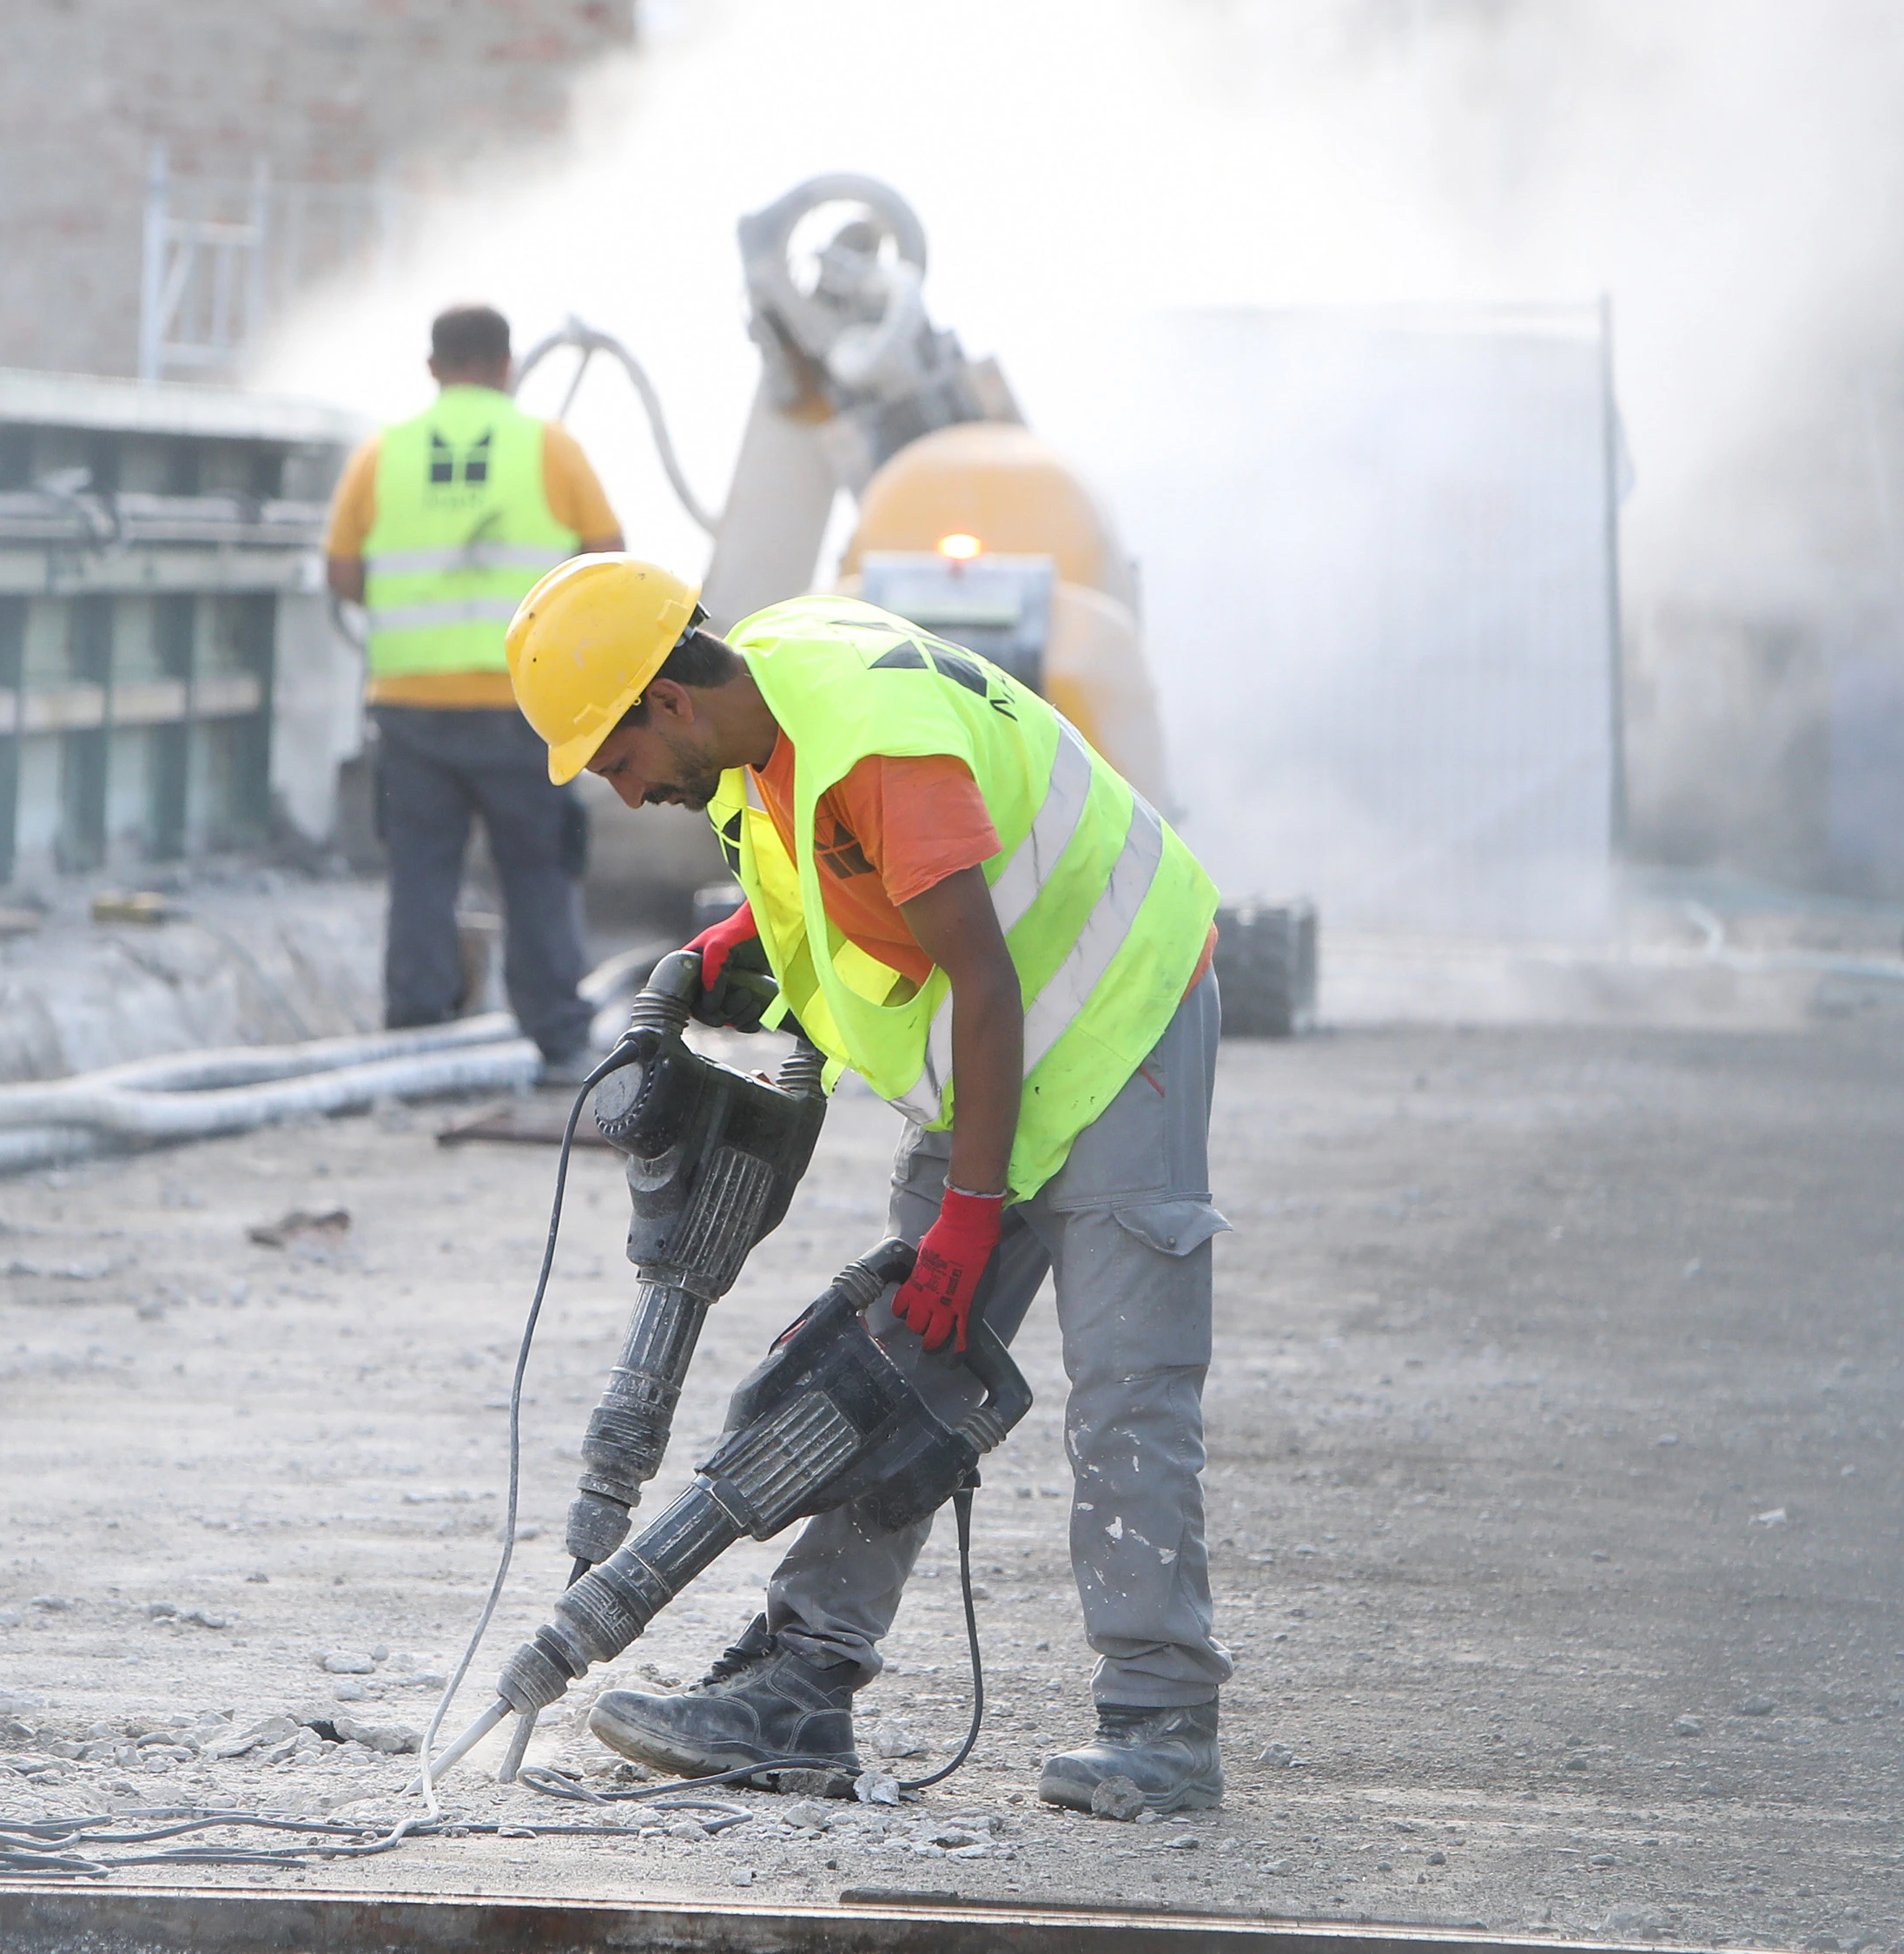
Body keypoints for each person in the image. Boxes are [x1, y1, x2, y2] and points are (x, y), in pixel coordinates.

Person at [503, 555, 1233, 1817]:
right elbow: (847, 900)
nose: (622, 791)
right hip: (992, 1055)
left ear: (667, 699)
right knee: (885, 1371)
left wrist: (965, 1214)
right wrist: (745, 947)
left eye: (613, 759)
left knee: (1125, 1382)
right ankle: (798, 1685)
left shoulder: (867, 746)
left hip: (1117, 1016)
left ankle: (1161, 1720)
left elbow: (991, 978)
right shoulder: (760, 726)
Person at [325, 304, 621, 1073]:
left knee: (422, 873)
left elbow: (342, 571)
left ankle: (417, 1037)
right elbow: (607, 563)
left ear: (432, 367)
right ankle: (558, 1037)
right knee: (539, 869)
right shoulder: (551, 450)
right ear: (507, 364)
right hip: (525, 704)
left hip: (410, 703)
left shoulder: (381, 456)